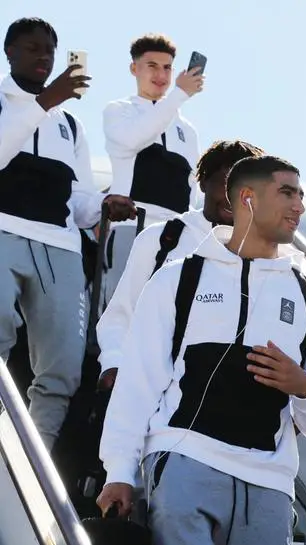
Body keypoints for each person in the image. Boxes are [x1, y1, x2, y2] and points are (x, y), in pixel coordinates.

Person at [96, 155, 306, 545]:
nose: (300, 207)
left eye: (302, 195)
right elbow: (138, 385)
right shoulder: (177, 280)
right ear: (248, 199)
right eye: (287, 193)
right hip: (183, 458)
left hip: (269, 480)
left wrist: (304, 386)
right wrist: (119, 472)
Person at [0, 17, 135, 448]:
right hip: (3, 233)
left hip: (59, 247)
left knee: (63, 367)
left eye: (50, 50)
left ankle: (34, 460)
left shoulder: (70, 124)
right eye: (32, 47)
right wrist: (42, 103)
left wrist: (103, 204)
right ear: (10, 52)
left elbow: (77, 198)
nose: (43, 57)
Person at [96, 139, 266, 392]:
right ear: (203, 182)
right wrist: (113, 363)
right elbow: (122, 313)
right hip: (147, 388)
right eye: (227, 183)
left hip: (218, 398)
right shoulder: (161, 239)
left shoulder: (266, 256)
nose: (235, 198)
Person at [101, 33, 203, 302]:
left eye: (167, 67)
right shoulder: (119, 110)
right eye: (152, 66)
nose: (161, 74)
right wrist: (178, 95)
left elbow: (190, 187)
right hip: (131, 228)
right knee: (121, 310)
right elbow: (133, 139)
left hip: (175, 236)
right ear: (134, 68)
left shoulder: (188, 131)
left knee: (168, 315)